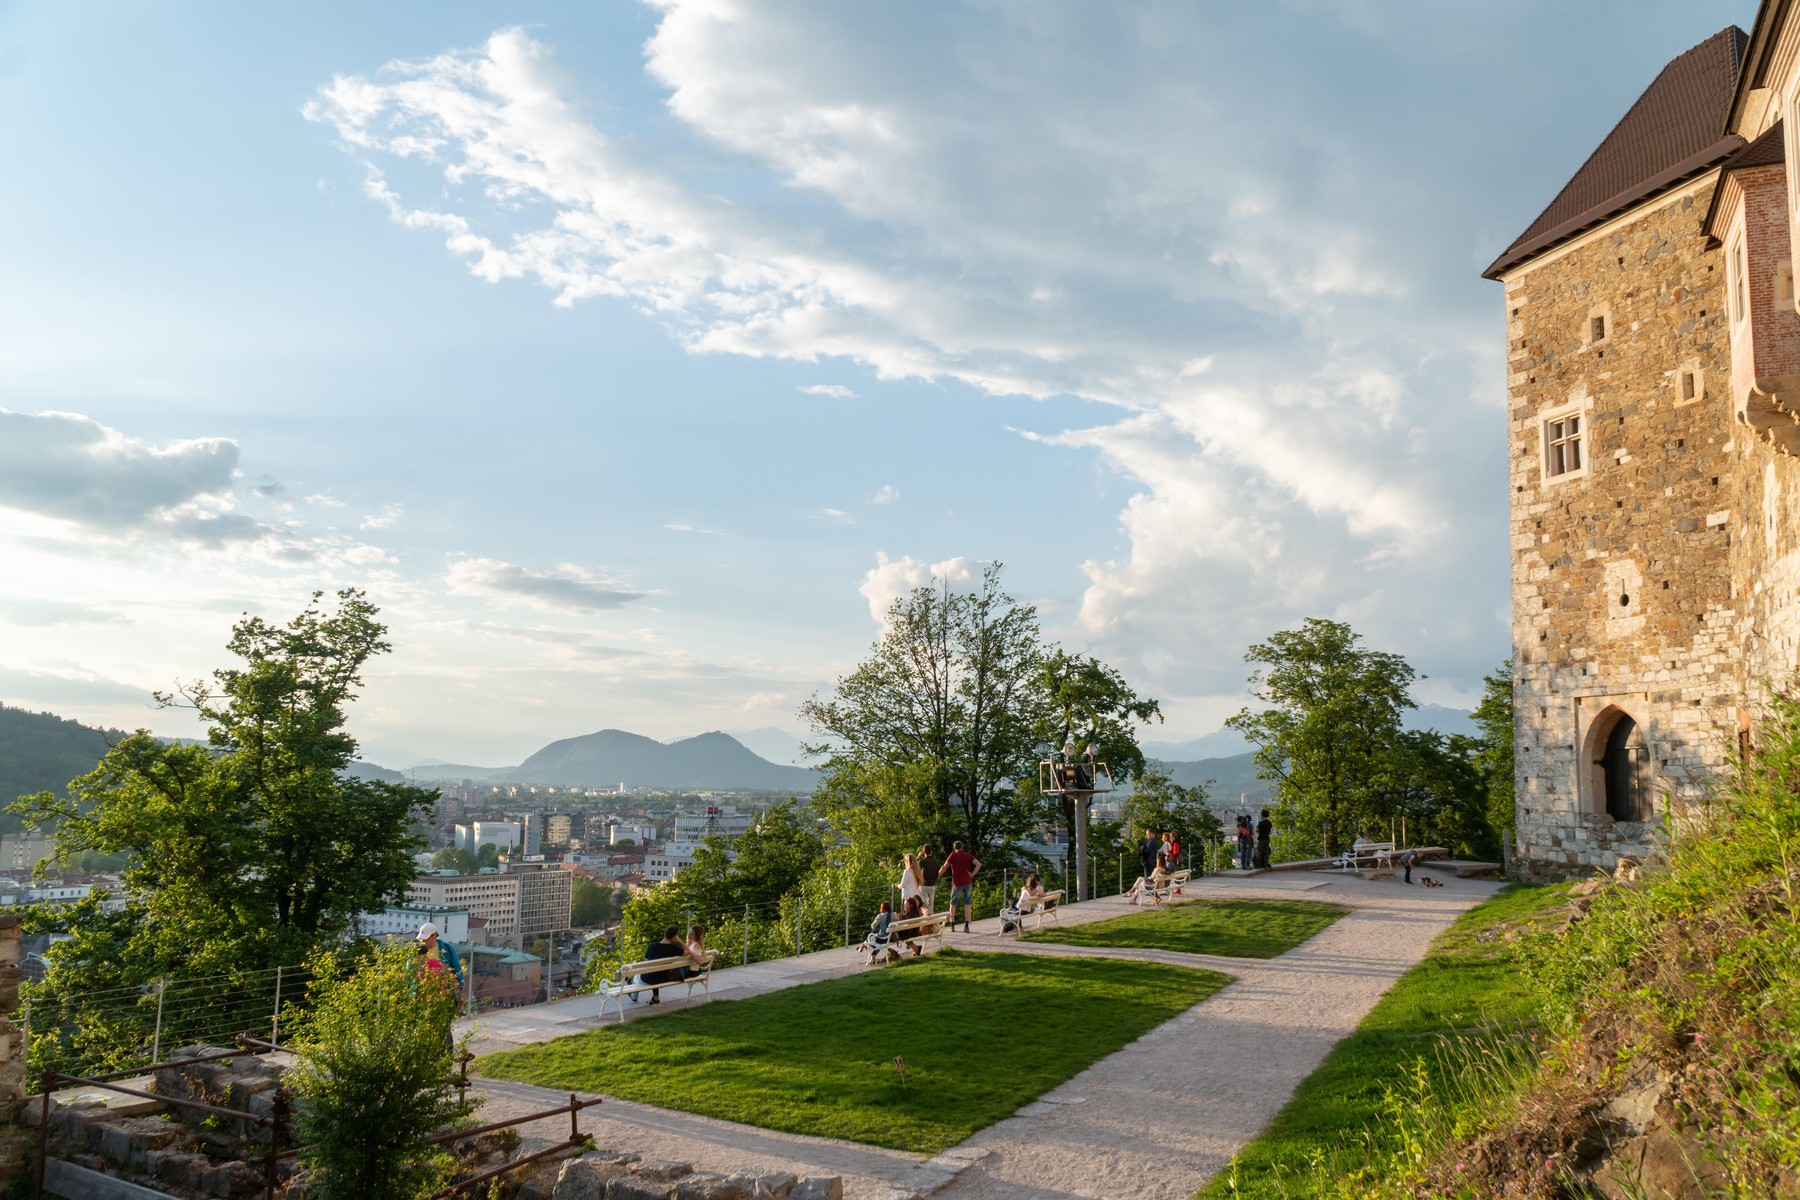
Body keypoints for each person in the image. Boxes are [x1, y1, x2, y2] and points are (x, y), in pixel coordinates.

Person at [416, 922, 465, 1054]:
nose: (424, 941)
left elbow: (456, 973)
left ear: (434, 936)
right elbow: (412, 976)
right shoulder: (418, 951)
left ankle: (445, 1058)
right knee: (428, 1029)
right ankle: (433, 1057)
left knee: (443, 1028)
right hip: (425, 997)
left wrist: (459, 993)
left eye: (426, 938)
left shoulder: (446, 949)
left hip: (444, 996)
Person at [638, 925, 686, 1004]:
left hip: (648, 979)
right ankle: (655, 997)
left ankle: (633, 995)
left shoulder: (652, 946)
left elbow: (646, 961)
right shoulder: (673, 949)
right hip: (664, 978)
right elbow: (688, 951)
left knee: (637, 977)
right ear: (674, 937)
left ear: (665, 934)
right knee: (657, 972)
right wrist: (680, 941)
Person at [944, 840, 982, 932]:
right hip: (967, 882)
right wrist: (972, 874)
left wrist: (937, 875)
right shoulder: (968, 855)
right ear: (962, 847)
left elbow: (945, 866)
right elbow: (978, 864)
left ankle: (952, 925)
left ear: (954, 847)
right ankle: (966, 926)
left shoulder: (953, 855)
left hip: (957, 883)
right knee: (967, 904)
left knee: (953, 904)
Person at [867, 900, 899, 964]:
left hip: (883, 939)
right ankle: (872, 958)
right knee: (876, 940)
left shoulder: (880, 916)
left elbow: (872, 926)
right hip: (893, 937)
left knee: (873, 939)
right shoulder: (894, 915)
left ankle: (872, 958)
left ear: (882, 908)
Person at [917, 844, 941, 912]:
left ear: (923, 852)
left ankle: (926, 920)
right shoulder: (935, 861)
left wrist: (919, 856)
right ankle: (931, 919)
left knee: (924, 905)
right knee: (931, 905)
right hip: (932, 885)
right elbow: (938, 872)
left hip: (923, 885)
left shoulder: (921, 862)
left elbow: (913, 866)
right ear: (931, 851)